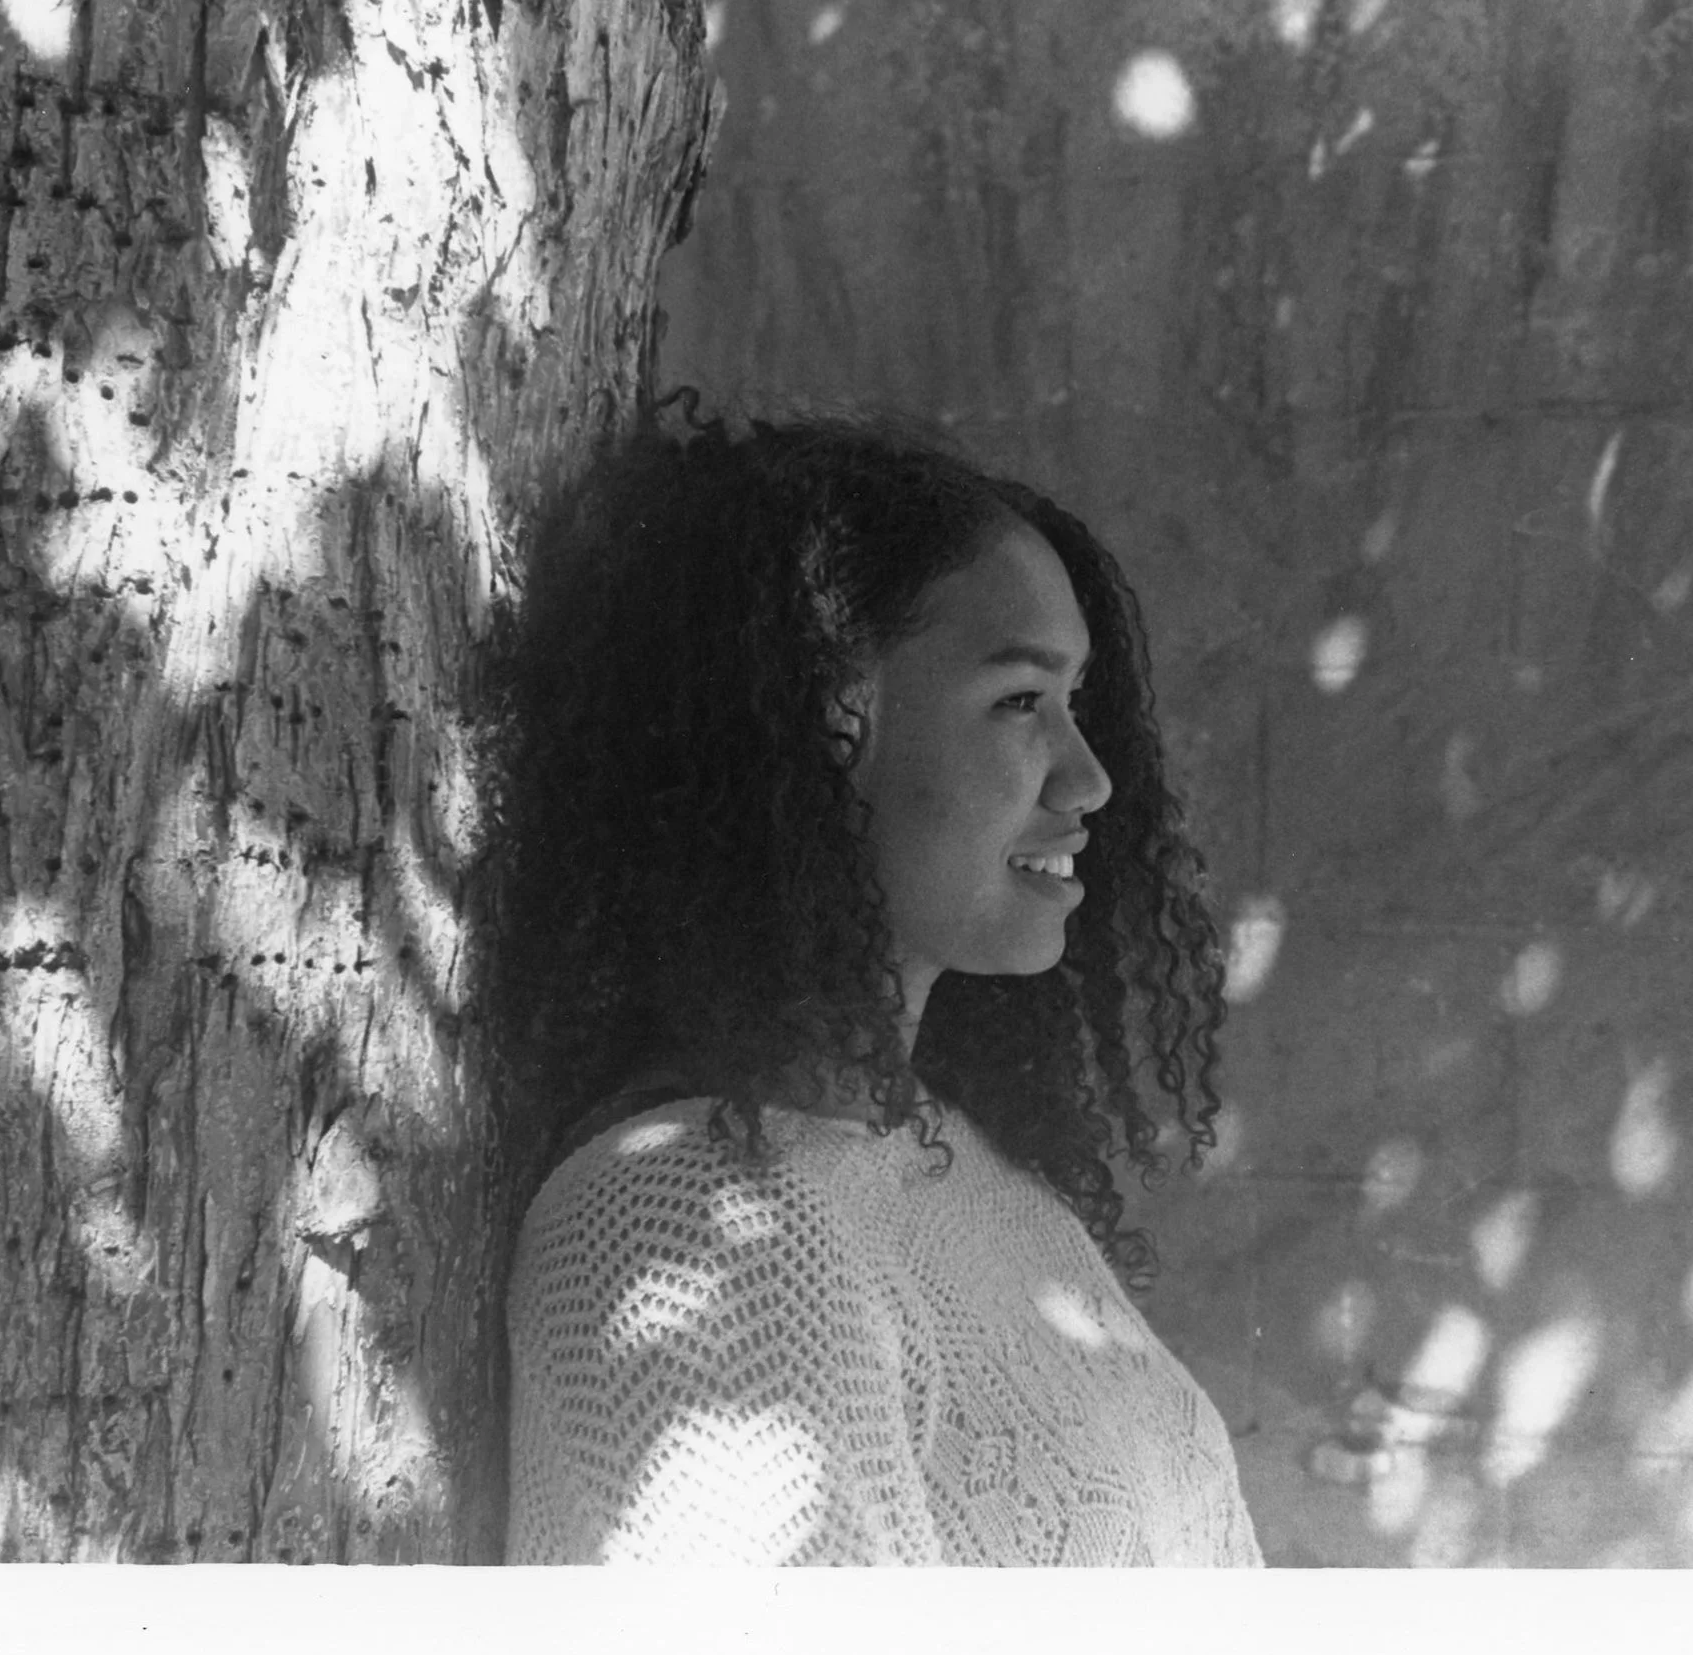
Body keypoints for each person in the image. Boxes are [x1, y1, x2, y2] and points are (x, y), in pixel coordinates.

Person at [486, 406, 1262, 1565]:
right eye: (1018, 702)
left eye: (1076, 703)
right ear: (818, 726)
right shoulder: (681, 1225)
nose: (1092, 778)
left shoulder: (970, 1174)